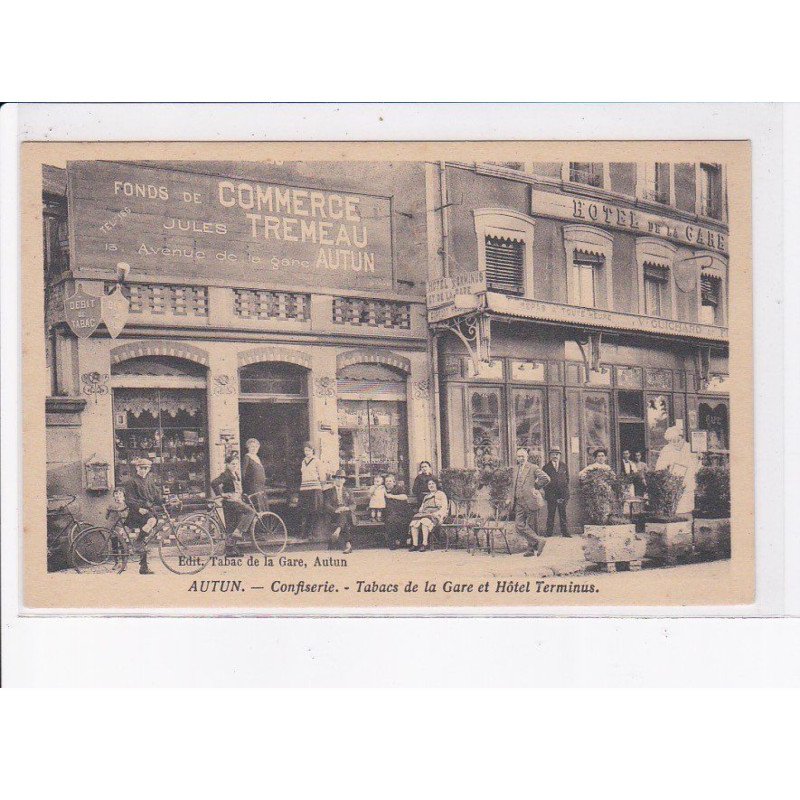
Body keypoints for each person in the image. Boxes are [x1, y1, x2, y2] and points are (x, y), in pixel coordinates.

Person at [210, 451, 254, 556]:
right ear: (227, 464)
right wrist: (221, 494)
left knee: (232, 526)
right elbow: (214, 483)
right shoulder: (226, 474)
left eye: (236, 464)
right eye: (232, 464)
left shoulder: (236, 474)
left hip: (236, 501)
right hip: (230, 502)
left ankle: (230, 551)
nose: (235, 466)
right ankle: (239, 532)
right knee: (250, 512)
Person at [123, 458, 161, 575]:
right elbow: (129, 499)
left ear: (149, 469)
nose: (143, 470)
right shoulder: (131, 481)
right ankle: (137, 542)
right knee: (151, 520)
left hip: (147, 510)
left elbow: (155, 494)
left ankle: (143, 567)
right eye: (141, 468)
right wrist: (139, 508)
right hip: (136, 512)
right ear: (137, 468)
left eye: (146, 468)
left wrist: (165, 501)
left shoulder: (149, 480)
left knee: (146, 536)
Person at [510, 447, 551, 557]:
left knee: (532, 525)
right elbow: (514, 485)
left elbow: (546, 478)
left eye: (522, 456)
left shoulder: (533, 467)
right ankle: (539, 540)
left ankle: (530, 550)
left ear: (526, 457)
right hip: (519, 501)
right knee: (519, 525)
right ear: (516, 458)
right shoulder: (515, 469)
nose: (521, 458)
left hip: (530, 500)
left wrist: (536, 486)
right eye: (519, 456)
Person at [655, 426, 700, 515]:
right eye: (671, 440)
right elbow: (660, 467)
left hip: (688, 481)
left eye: (677, 439)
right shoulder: (666, 449)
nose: (674, 442)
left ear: (681, 437)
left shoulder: (690, 448)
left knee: (687, 508)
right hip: (673, 482)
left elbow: (696, 465)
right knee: (675, 508)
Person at [408, 477, 448, 552]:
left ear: (436, 485)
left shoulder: (441, 494)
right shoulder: (426, 496)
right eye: (429, 484)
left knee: (424, 521)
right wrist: (422, 510)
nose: (431, 485)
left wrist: (437, 514)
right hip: (425, 514)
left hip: (436, 515)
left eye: (433, 483)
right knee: (414, 523)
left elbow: (444, 507)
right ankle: (415, 544)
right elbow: (421, 508)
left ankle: (424, 544)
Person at [323, 469, 354, 554]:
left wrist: (347, 508)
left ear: (344, 480)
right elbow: (326, 504)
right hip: (334, 514)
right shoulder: (329, 491)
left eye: (341, 478)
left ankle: (338, 530)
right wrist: (336, 510)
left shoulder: (348, 491)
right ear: (334, 479)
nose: (339, 480)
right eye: (337, 478)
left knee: (344, 513)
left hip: (346, 513)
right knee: (344, 520)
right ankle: (348, 545)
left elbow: (353, 504)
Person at [299, 442, 325, 538]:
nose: (307, 452)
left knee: (314, 511)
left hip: (314, 489)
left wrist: (321, 486)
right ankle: (305, 533)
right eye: (305, 450)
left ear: (312, 451)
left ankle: (312, 533)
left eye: (309, 450)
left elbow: (322, 476)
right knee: (305, 511)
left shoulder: (317, 461)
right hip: (304, 489)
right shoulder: (303, 461)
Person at [542, 447, 570, 538]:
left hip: (562, 494)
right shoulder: (546, 467)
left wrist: (564, 494)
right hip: (551, 495)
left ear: (560, 456)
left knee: (563, 513)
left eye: (557, 454)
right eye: (553, 454)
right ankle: (549, 533)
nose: (555, 456)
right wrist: (550, 494)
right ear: (550, 455)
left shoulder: (564, 466)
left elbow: (567, 480)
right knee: (551, 514)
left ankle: (565, 532)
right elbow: (544, 482)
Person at [383, 473, 413, 550]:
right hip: (390, 512)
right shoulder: (383, 490)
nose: (388, 482)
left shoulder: (398, 489)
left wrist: (391, 496)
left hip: (402, 511)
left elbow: (404, 497)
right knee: (391, 520)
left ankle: (402, 541)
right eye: (386, 481)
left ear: (394, 482)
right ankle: (392, 543)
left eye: (390, 481)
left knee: (403, 520)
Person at [106, 487, 129, 570]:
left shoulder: (126, 505)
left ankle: (124, 563)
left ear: (123, 495)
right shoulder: (111, 505)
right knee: (114, 545)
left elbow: (128, 516)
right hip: (113, 526)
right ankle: (116, 563)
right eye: (116, 493)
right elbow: (107, 515)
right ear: (113, 495)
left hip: (123, 527)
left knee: (123, 545)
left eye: (120, 493)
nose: (118, 495)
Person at [242, 437, 267, 512]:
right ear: (248, 447)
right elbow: (243, 473)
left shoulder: (257, 457)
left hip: (260, 487)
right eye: (252, 446)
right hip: (253, 488)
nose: (254, 448)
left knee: (262, 509)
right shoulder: (247, 457)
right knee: (256, 508)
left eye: (256, 447)